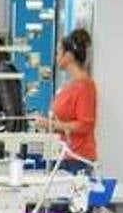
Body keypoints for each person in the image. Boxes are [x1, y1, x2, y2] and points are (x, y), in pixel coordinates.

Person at [32, 28, 97, 174]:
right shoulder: (68, 86)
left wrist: (51, 124)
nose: (56, 58)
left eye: (58, 53)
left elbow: (85, 125)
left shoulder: (85, 87)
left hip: (77, 160)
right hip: (62, 157)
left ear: (68, 56)